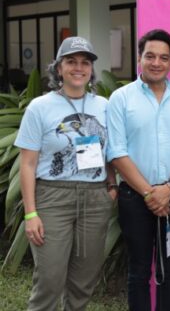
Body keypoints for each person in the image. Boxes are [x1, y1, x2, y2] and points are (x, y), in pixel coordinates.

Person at [15, 36, 116, 311]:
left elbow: (113, 150)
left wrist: (111, 185)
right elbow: (27, 164)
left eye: (85, 62)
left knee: (84, 280)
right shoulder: (40, 107)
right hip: (52, 197)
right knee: (49, 278)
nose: (78, 68)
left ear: (91, 70)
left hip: (95, 199)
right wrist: (31, 213)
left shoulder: (104, 106)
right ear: (59, 68)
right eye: (71, 61)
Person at [107, 28, 170, 311]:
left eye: (163, 57)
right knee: (138, 271)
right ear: (139, 58)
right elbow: (116, 152)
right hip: (135, 198)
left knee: (169, 270)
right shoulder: (121, 98)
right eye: (150, 56)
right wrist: (150, 194)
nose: (156, 63)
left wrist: (169, 189)